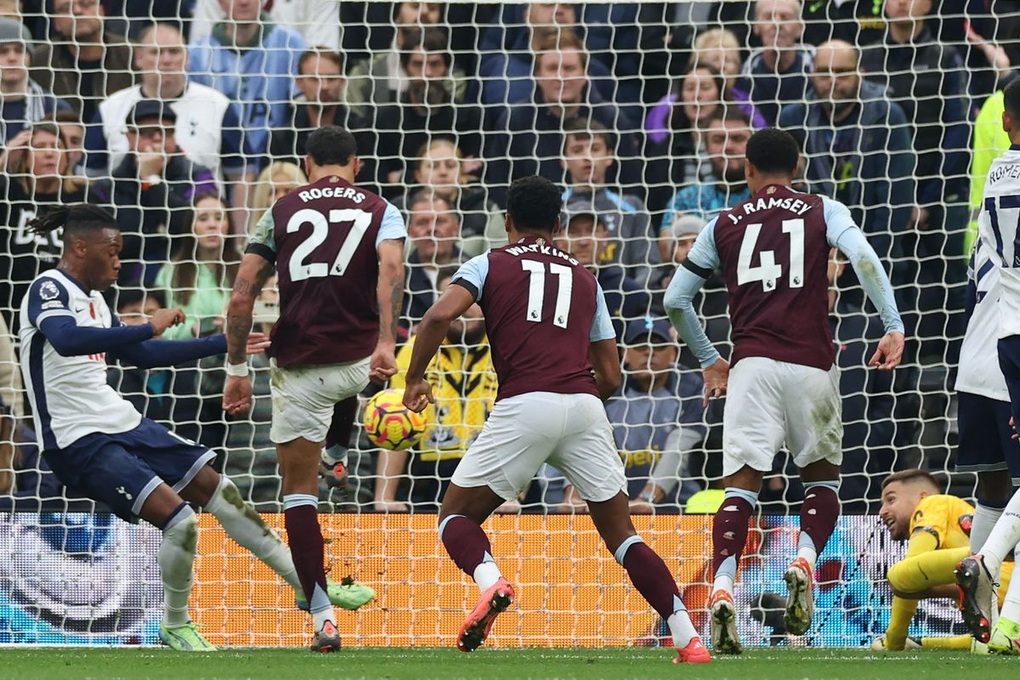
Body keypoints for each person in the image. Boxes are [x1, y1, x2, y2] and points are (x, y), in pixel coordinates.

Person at [16, 204, 374, 652]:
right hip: (76, 440)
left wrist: (222, 343)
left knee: (219, 489)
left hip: (120, 422)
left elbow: (143, 357)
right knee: (181, 522)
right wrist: (148, 325)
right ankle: (175, 623)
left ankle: (305, 584)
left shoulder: (97, 301)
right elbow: (68, 340)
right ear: (80, 247)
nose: (118, 261)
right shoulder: (47, 287)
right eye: (112, 251)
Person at [400, 175, 711, 664]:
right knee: (623, 535)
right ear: (560, 224)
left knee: (455, 518)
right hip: (585, 406)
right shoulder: (586, 278)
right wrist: (578, 409)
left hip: (525, 403)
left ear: (507, 222)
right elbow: (610, 372)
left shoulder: (489, 262)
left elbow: (438, 316)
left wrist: (414, 378)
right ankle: (689, 638)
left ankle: (491, 581)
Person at [663, 128, 904, 654]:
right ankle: (804, 561)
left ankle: (723, 586)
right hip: (812, 366)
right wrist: (892, 323)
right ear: (797, 166)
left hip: (750, 368)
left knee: (739, 491)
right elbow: (862, 256)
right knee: (821, 482)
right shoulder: (824, 208)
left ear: (747, 169)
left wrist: (710, 360)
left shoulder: (722, 224)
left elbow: (676, 300)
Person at [223, 125, 406, 652]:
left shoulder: (280, 210)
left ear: (307, 163)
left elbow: (241, 296)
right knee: (370, 387)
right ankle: (341, 449)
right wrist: (386, 341)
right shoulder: (380, 208)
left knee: (299, 496)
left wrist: (238, 367)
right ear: (357, 162)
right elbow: (390, 268)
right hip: (359, 361)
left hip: (299, 367)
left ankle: (323, 617)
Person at [956, 78, 1020, 654]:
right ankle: (1009, 623)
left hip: (980, 346)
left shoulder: (998, 173)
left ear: (1006, 122)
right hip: (1018, 338)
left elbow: (980, 265)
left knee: (992, 484)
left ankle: (980, 628)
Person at [378, 268, 497, 512]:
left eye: (471, 301)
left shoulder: (507, 348)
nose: (463, 309)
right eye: (451, 299)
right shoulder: (415, 349)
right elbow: (395, 420)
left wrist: (512, 492)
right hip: (426, 475)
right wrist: (384, 497)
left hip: (492, 472)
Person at [874, 469, 1006, 653]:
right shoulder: (956, 528)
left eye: (891, 499)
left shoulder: (933, 503)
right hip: (1006, 588)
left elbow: (910, 572)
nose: (882, 511)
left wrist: (893, 642)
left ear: (922, 497)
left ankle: (979, 560)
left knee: (898, 575)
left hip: (998, 568)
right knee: (995, 638)